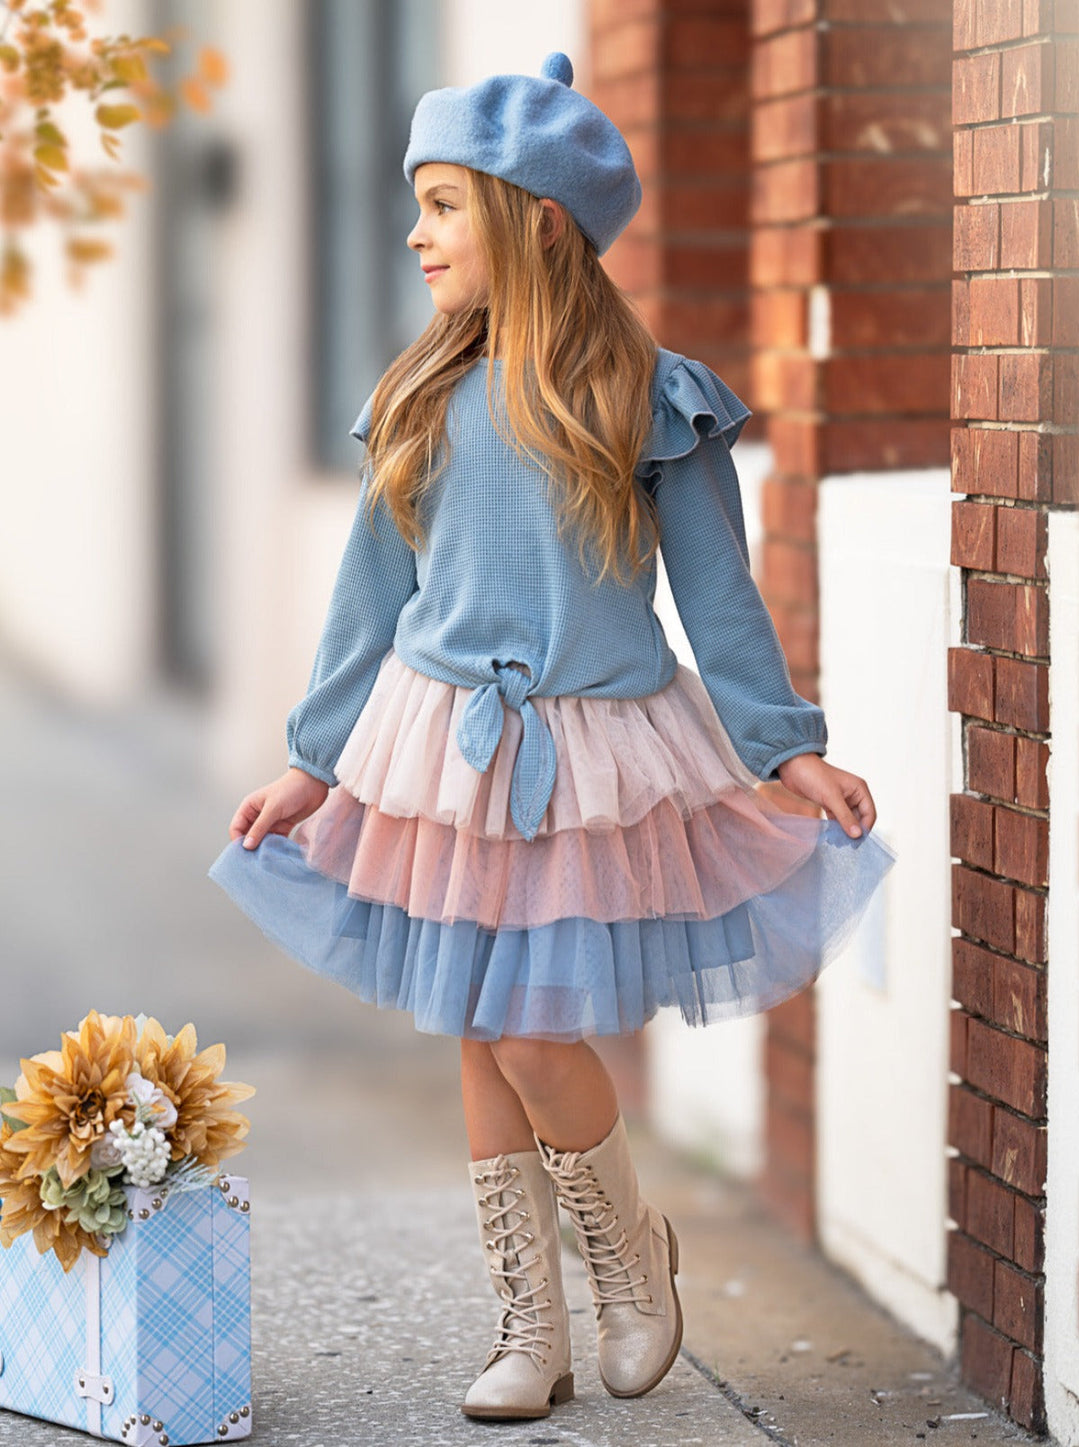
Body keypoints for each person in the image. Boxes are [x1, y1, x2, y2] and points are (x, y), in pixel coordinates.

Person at [209, 52, 896, 1424]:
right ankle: (532, 1322)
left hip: (592, 753)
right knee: (477, 1024)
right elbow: (370, 604)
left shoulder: (649, 397)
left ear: (536, 219)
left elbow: (718, 595)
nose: (415, 234)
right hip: (440, 746)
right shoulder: (419, 397)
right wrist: (313, 759)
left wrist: (785, 746)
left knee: (531, 1032)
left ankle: (631, 1262)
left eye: (445, 205)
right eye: (416, 206)